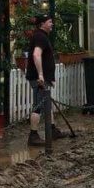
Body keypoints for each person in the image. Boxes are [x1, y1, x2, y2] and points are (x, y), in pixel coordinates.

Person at [26, 14, 65, 146]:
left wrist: (49, 78)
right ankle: (33, 135)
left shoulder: (41, 36)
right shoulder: (40, 37)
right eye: (50, 22)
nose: (52, 24)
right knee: (38, 106)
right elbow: (36, 55)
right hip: (39, 79)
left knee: (46, 103)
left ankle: (52, 130)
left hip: (43, 78)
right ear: (42, 24)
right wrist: (41, 75)